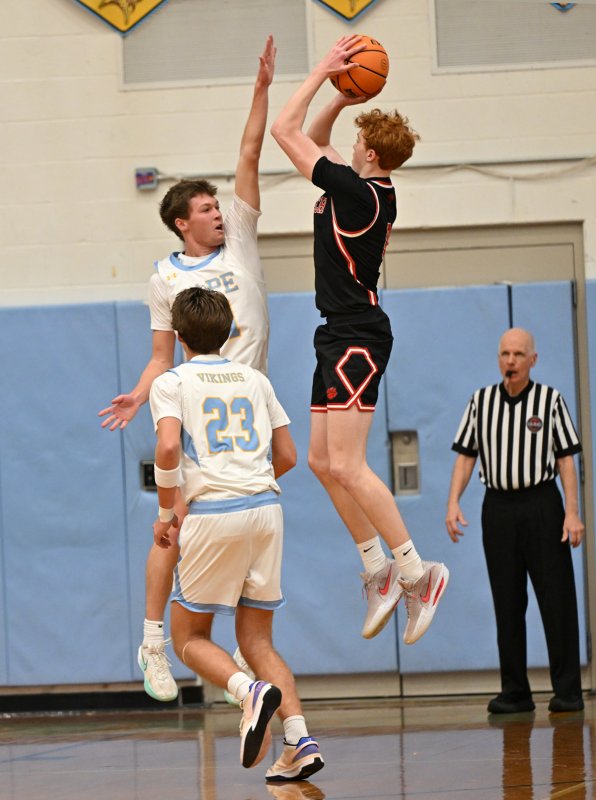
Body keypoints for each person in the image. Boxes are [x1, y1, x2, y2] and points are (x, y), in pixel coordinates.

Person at [98, 36, 276, 701]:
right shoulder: (166, 276)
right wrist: (137, 396)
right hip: (194, 405)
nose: (218, 213)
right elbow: (159, 357)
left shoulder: (244, 241)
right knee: (171, 520)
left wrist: (260, 90)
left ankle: (257, 697)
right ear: (181, 222)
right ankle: (153, 643)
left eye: (217, 207)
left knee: (243, 513)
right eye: (206, 209)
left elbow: (251, 153)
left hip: (247, 401)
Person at [270, 35, 448, 643]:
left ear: (367, 153)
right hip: (337, 332)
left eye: (354, 143)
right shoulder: (369, 188)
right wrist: (347, 95)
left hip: (356, 337)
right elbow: (318, 138)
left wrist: (322, 71)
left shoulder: (357, 193)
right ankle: (377, 568)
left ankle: (416, 573)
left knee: (348, 461)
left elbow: (285, 131)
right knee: (322, 462)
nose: (343, 147)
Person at [150, 286, 324, 782]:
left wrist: (167, 513)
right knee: (257, 640)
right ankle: (298, 740)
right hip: (267, 509)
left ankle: (247, 693)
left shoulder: (173, 381)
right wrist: (249, 482)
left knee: (187, 637)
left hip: (213, 512)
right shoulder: (254, 378)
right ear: (228, 332)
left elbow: (167, 449)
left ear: (179, 335)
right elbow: (287, 456)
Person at [446, 327, 585, 714]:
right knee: (507, 601)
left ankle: (568, 691)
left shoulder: (550, 400)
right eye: (505, 353)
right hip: (499, 508)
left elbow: (565, 461)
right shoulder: (481, 401)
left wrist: (572, 512)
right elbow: (465, 456)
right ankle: (515, 691)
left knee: (556, 599)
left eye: (519, 354)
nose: (511, 361)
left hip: (542, 505)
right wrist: (452, 502)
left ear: (533, 360)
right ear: (498, 358)